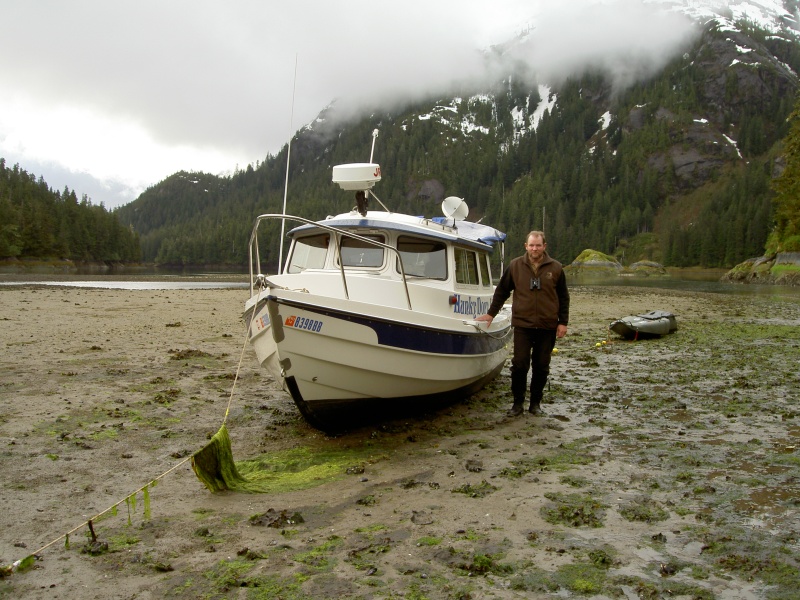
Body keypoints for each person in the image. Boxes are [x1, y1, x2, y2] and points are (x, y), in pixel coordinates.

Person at [476, 230, 569, 416]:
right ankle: (517, 404)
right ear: (526, 246)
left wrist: (563, 322)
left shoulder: (556, 268)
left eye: (538, 245)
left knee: (541, 366)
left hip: (547, 326)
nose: (535, 249)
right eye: (531, 245)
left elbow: (563, 297)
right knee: (519, 365)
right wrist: (491, 314)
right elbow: (502, 291)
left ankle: (535, 404)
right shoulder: (515, 265)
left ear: (544, 246)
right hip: (523, 326)